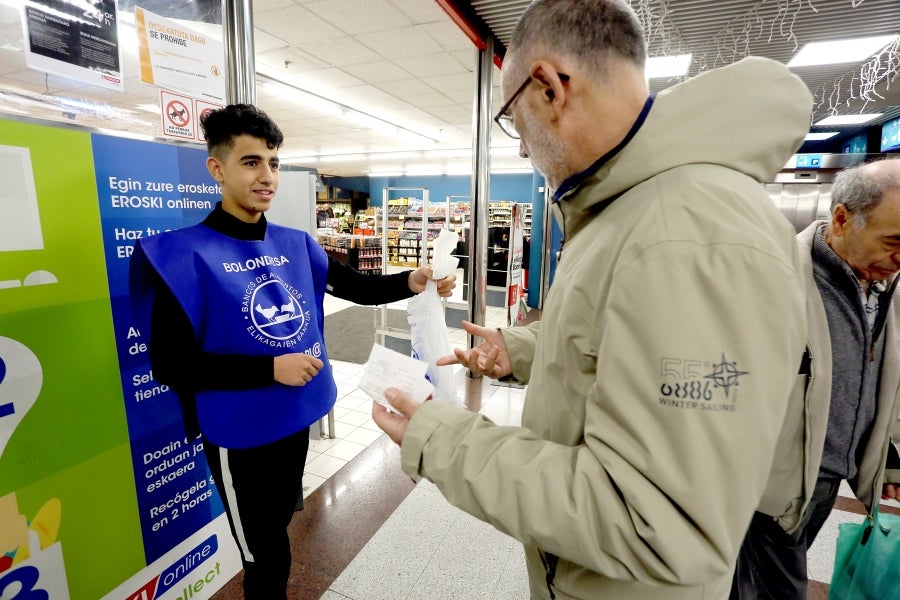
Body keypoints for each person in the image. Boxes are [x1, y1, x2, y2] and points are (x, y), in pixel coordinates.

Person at [371, 1, 814, 598]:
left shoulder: (686, 231)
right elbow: (616, 344)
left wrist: (441, 437)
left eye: (511, 118)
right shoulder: (627, 207)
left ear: (550, 86)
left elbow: (656, 523)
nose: (523, 149)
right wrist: (522, 350)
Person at [128, 104, 454, 600]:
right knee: (264, 556)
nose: (267, 177)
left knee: (280, 522)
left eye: (274, 163)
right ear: (216, 169)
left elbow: (356, 287)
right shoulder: (179, 257)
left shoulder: (296, 243)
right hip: (237, 433)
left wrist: (413, 281)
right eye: (251, 162)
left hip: (293, 417)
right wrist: (269, 367)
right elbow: (172, 365)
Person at [731, 159, 900, 600]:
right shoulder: (775, 279)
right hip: (770, 484)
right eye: (893, 241)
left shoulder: (887, 286)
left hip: (828, 479)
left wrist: (890, 452)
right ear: (842, 219)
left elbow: (888, 375)